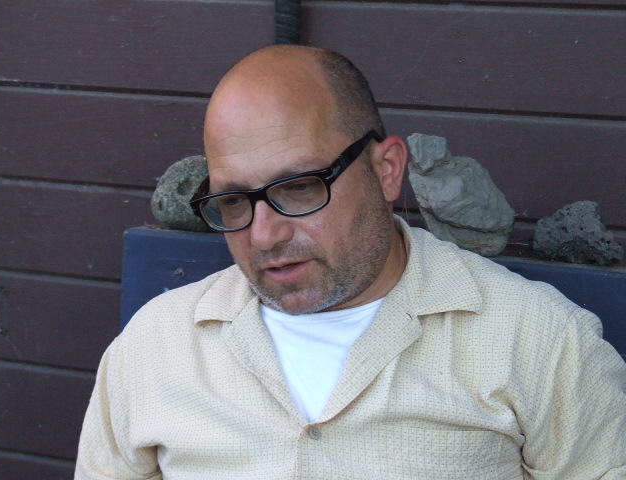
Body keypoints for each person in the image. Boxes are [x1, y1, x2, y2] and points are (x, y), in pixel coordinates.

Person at [75, 45, 626, 479]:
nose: (263, 235)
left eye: (299, 187)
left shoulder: (540, 341)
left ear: (387, 171)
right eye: (234, 201)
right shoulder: (152, 348)